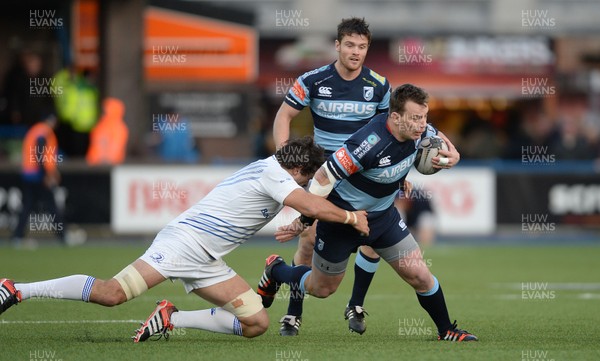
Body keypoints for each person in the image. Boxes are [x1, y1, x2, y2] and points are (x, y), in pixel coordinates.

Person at [0, 137, 369, 342]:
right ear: (300, 170)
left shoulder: (274, 172)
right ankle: (17, 289)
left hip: (207, 259)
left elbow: (302, 204)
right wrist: (352, 216)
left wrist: (298, 222)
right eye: (306, 177)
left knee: (256, 323)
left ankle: (172, 317)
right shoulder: (275, 174)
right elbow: (308, 202)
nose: (306, 183)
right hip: (185, 243)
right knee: (113, 294)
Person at [259, 84, 478, 342]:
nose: (422, 124)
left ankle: (446, 330)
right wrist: (306, 219)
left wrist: (453, 156)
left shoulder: (421, 131)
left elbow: (438, 138)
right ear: (395, 117)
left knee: (419, 274)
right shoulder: (366, 144)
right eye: (416, 118)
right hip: (343, 220)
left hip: (383, 218)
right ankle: (276, 271)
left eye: (425, 116)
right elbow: (321, 178)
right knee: (321, 289)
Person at [271, 17, 391, 336]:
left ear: (367, 49)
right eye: (349, 45)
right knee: (308, 240)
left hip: (367, 175)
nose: (355, 52)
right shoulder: (313, 79)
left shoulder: (379, 85)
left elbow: (392, 133)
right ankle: (293, 313)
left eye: (362, 46)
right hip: (325, 176)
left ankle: (356, 304)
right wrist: (285, 160)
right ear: (337, 46)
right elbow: (284, 114)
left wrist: (399, 170)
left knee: (374, 238)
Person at [11, 113, 66, 247]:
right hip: (38, 175)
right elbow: (40, 153)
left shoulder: (35, 130)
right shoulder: (44, 131)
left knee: (28, 206)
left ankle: (17, 236)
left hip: (28, 173)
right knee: (51, 206)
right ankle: (63, 236)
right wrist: (46, 174)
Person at [86, 98, 129, 165]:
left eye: (105, 110)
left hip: (106, 164)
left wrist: (107, 161)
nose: (103, 112)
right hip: (95, 162)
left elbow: (116, 146)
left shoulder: (118, 127)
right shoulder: (102, 124)